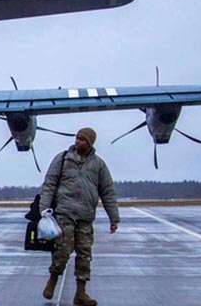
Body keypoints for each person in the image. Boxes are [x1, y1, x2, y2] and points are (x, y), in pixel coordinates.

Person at [39, 127, 120, 306]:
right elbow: (49, 184)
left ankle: (81, 292)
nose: (77, 142)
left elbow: (107, 192)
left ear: (90, 143)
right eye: (76, 138)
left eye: (82, 140)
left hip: (85, 215)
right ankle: (53, 278)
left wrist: (113, 218)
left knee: (84, 254)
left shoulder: (99, 165)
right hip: (65, 212)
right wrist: (44, 209)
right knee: (63, 250)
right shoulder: (62, 160)